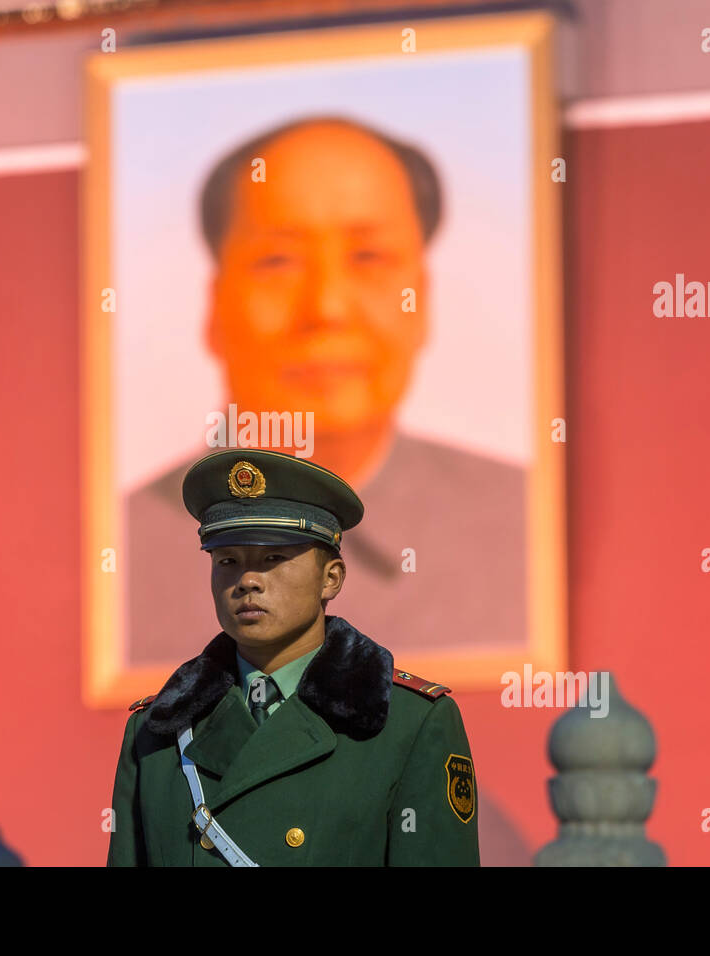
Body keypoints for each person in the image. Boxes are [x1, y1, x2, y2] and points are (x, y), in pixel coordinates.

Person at [126, 115, 526, 668]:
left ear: (421, 299)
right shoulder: (122, 548)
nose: (328, 307)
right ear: (215, 308)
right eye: (278, 261)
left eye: (369, 257)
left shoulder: (522, 526)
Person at [107, 448, 481, 866]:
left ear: (331, 578)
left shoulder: (406, 725)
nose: (248, 580)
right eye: (227, 560)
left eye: (274, 558)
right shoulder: (159, 730)